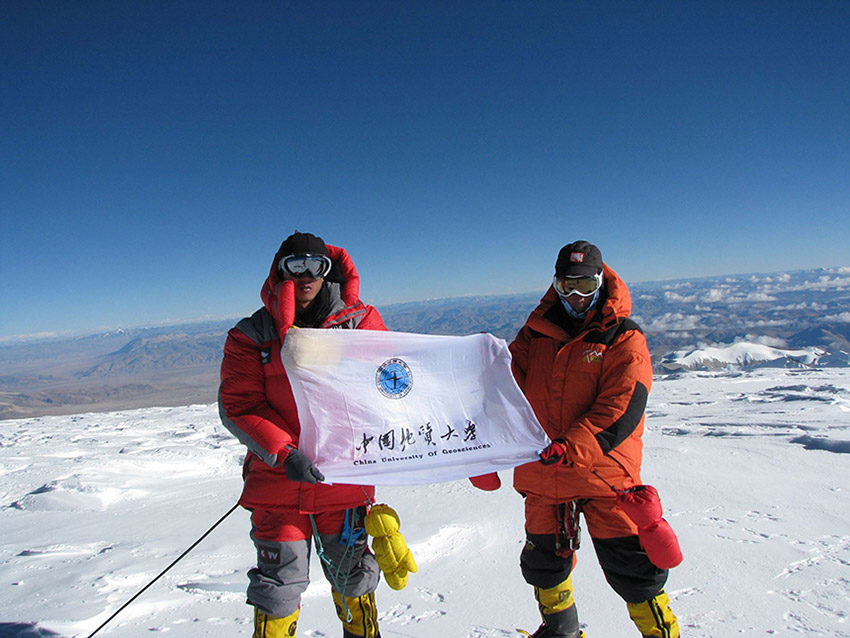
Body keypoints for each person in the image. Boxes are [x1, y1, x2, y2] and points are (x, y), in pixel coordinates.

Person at [219, 231, 386, 638]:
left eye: (317, 266)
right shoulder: (252, 334)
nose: (307, 276)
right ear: (281, 271)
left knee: (354, 575)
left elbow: (389, 385)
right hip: (279, 481)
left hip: (342, 478)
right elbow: (239, 405)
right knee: (279, 582)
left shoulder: (359, 322)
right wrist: (284, 451)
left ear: (329, 271)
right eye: (297, 266)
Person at [509, 241, 679, 638]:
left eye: (586, 285)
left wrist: (571, 446)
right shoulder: (534, 335)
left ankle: (660, 633)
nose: (576, 296)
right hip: (545, 472)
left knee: (635, 570)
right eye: (568, 285)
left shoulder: (623, 335)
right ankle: (561, 631)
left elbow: (622, 406)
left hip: (604, 474)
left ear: (601, 282)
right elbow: (505, 384)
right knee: (544, 565)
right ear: (556, 284)